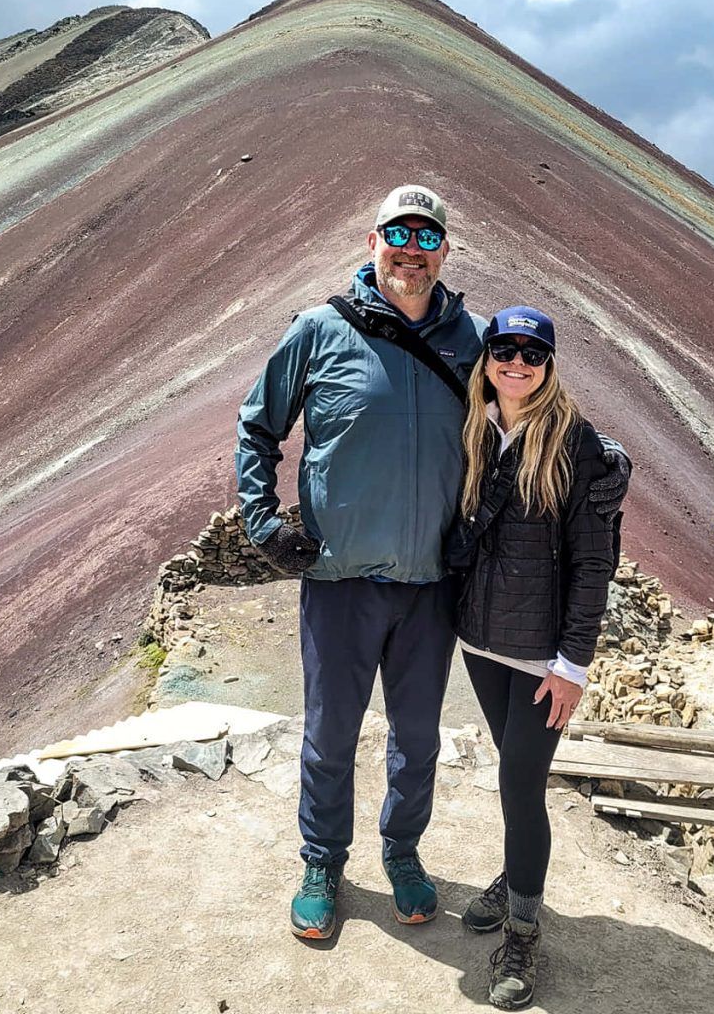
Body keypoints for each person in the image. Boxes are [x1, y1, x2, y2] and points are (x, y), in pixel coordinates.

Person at [235, 186, 630, 943]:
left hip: (432, 588)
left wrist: (605, 460)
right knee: (329, 736)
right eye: (398, 234)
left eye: (428, 237)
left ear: (445, 251)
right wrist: (261, 521)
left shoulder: (474, 342)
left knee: (417, 739)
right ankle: (322, 862)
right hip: (340, 580)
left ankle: (402, 853)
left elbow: (532, 401)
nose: (411, 250)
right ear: (372, 240)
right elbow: (258, 427)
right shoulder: (318, 331)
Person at [448, 306, 628, 1010]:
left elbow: (593, 562)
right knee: (512, 775)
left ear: (550, 365)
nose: (516, 362)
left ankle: (523, 931)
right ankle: (513, 876)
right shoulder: (475, 428)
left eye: (532, 352)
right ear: (487, 357)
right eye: (504, 349)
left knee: (521, 789)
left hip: (541, 657)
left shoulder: (578, 444)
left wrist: (573, 665)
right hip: (481, 641)